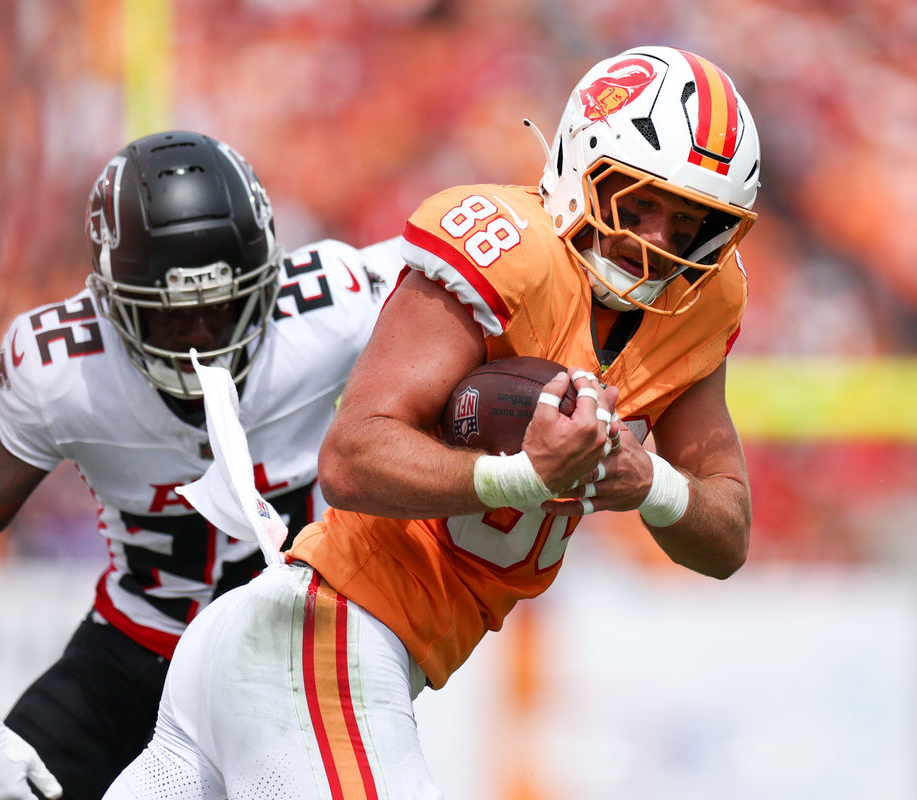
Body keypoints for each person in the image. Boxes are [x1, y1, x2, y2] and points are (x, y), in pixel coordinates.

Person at [104, 45, 760, 799]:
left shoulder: (695, 310)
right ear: (582, 164)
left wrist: (653, 485)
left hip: (288, 654)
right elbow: (350, 459)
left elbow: (727, 536)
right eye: (636, 203)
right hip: (318, 638)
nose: (656, 242)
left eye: (688, 223)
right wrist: (523, 476)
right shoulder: (512, 250)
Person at [0, 130, 402, 800]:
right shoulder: (65, 372)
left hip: (291, 655)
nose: (201, 338)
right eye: (172, 319)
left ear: (267, 282)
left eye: (221, 308)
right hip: (138, 647)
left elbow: (479, 282)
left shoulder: (336, 306)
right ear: (112, 304)